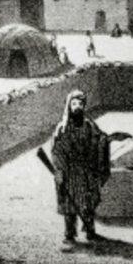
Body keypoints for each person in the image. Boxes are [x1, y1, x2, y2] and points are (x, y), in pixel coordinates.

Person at [51, 90, 111, 244]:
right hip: (69, 171)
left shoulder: (89, 125)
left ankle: (90, 231)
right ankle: (70, 233)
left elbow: (99, 140)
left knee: (88, 202)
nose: (77, 107)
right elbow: (57, 151)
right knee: (69, 204)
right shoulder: (62, 128)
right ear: (69, 106)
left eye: (80, 104)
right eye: (74, 104)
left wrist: (106, 140)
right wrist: (59, 170)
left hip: (85, 171)